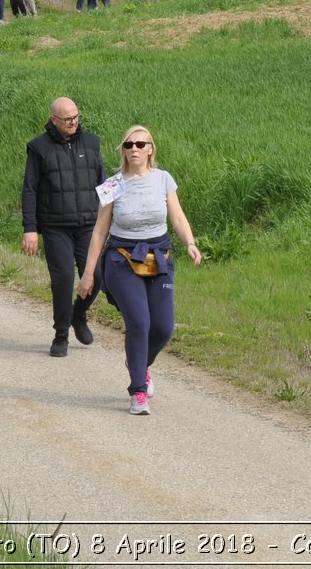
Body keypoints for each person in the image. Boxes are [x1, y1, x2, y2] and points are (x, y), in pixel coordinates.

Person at [77, 124, 202, 416]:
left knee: (163, 327)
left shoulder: (164, 179)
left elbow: (179, 218)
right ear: (123, 149)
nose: (135, 149)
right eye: (129, 144)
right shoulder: (112, 184)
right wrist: (88, 272)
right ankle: (138, 391)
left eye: (141, 144)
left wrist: (190, 243)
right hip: (122, 260)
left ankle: (139, 362)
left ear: (150, 149)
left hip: (158, 257)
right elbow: (99, 231)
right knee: (139, 323)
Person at [21, 97, 104, 357]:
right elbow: (30, 189)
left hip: (88, 223)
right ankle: (61, 336)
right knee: (63, 279)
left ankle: (78, 315)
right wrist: (30, 228)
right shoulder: (38, 148)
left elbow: (103, 183)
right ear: (54, 120)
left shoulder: (92, 143)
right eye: (67, 119)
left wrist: (110, 219)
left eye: (76, 116)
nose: (73, 122)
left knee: (98, 275)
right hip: (56, 225)